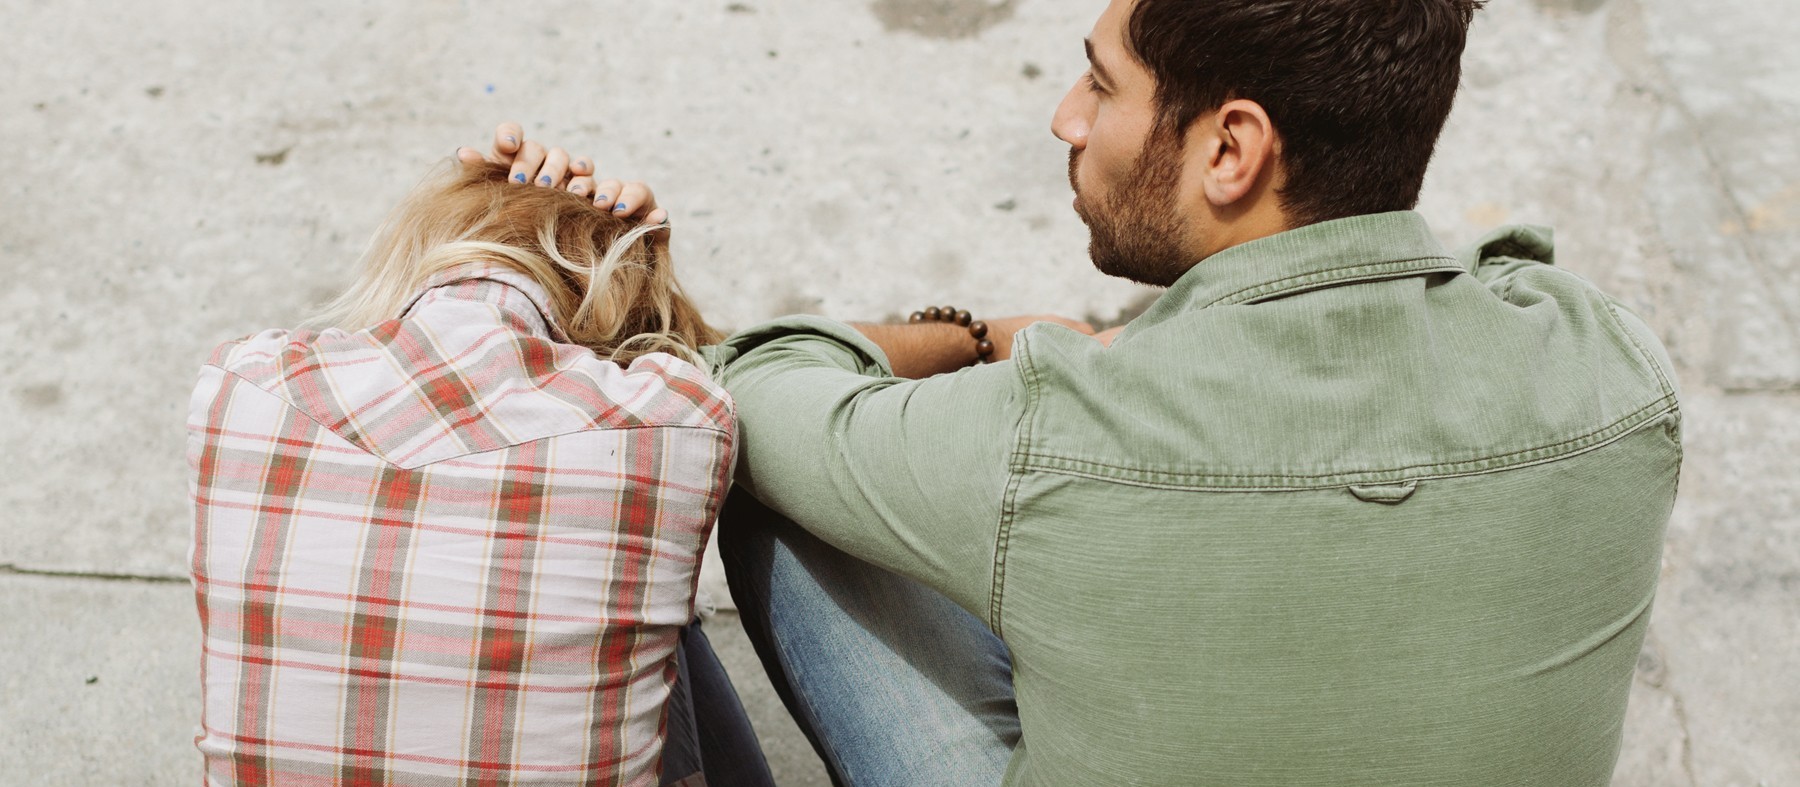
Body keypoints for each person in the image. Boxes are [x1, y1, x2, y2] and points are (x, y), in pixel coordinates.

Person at [488, 0, 1683, 782]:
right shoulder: (1616, 369)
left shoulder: (1060, 425)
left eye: (1101, 86)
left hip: (1041, 475)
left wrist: (983, 337)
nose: (1066, 118)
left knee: (794, 491)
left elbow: (749, 381)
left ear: (1232, 149)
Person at [185, 160, 774, 786]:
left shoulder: (244, 385)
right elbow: (705, 375)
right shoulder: (673, 421)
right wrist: (640, 263)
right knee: (647, 600)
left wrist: (486, 204)